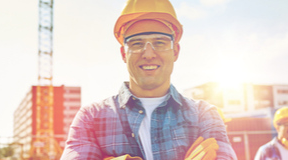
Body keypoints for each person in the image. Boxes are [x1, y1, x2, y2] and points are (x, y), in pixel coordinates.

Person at [60, 0, 237, 159]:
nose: (149, 54)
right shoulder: (91, 117)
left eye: (160, 42)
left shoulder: (204, 115)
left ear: (175, 51)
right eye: (137, 44)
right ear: (124, 54)